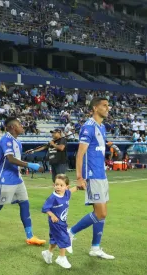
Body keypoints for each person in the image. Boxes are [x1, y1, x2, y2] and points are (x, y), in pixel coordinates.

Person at [0, 117, 46, 245]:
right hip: (5, 178)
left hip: (17, 177)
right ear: (13, 127)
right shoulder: (6, 139)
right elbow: (10, 159)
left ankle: (30, 236)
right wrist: (31, 165)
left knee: (24, 203)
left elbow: (16, 158)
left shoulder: (17, 142)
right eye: (20, 124)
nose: (22, 126)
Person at [67, 97, 115, 259]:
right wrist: (79, 177)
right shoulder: (88, 127)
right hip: (92, 175)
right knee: (100, 213)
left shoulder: (101, 127)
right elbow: (80, 154)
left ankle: (95, 247)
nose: (108, 108)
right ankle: (69, 233)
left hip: (101, 174)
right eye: (104, 105)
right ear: (95, 108)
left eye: (108, 105)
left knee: (102, 213)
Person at [41, 174, 82, 269]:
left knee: (55, 239)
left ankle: (48, 253)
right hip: (55, 223)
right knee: (64, 237)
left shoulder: (66, 194)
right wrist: (52, 215)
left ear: (66, 187)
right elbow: (45, 208)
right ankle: (61, 257)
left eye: (61, 185)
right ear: (53, 185)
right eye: (56, 184)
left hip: (63, 222)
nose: (58, 187)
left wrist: (80, 187)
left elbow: (72, 190)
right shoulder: (53, 198)